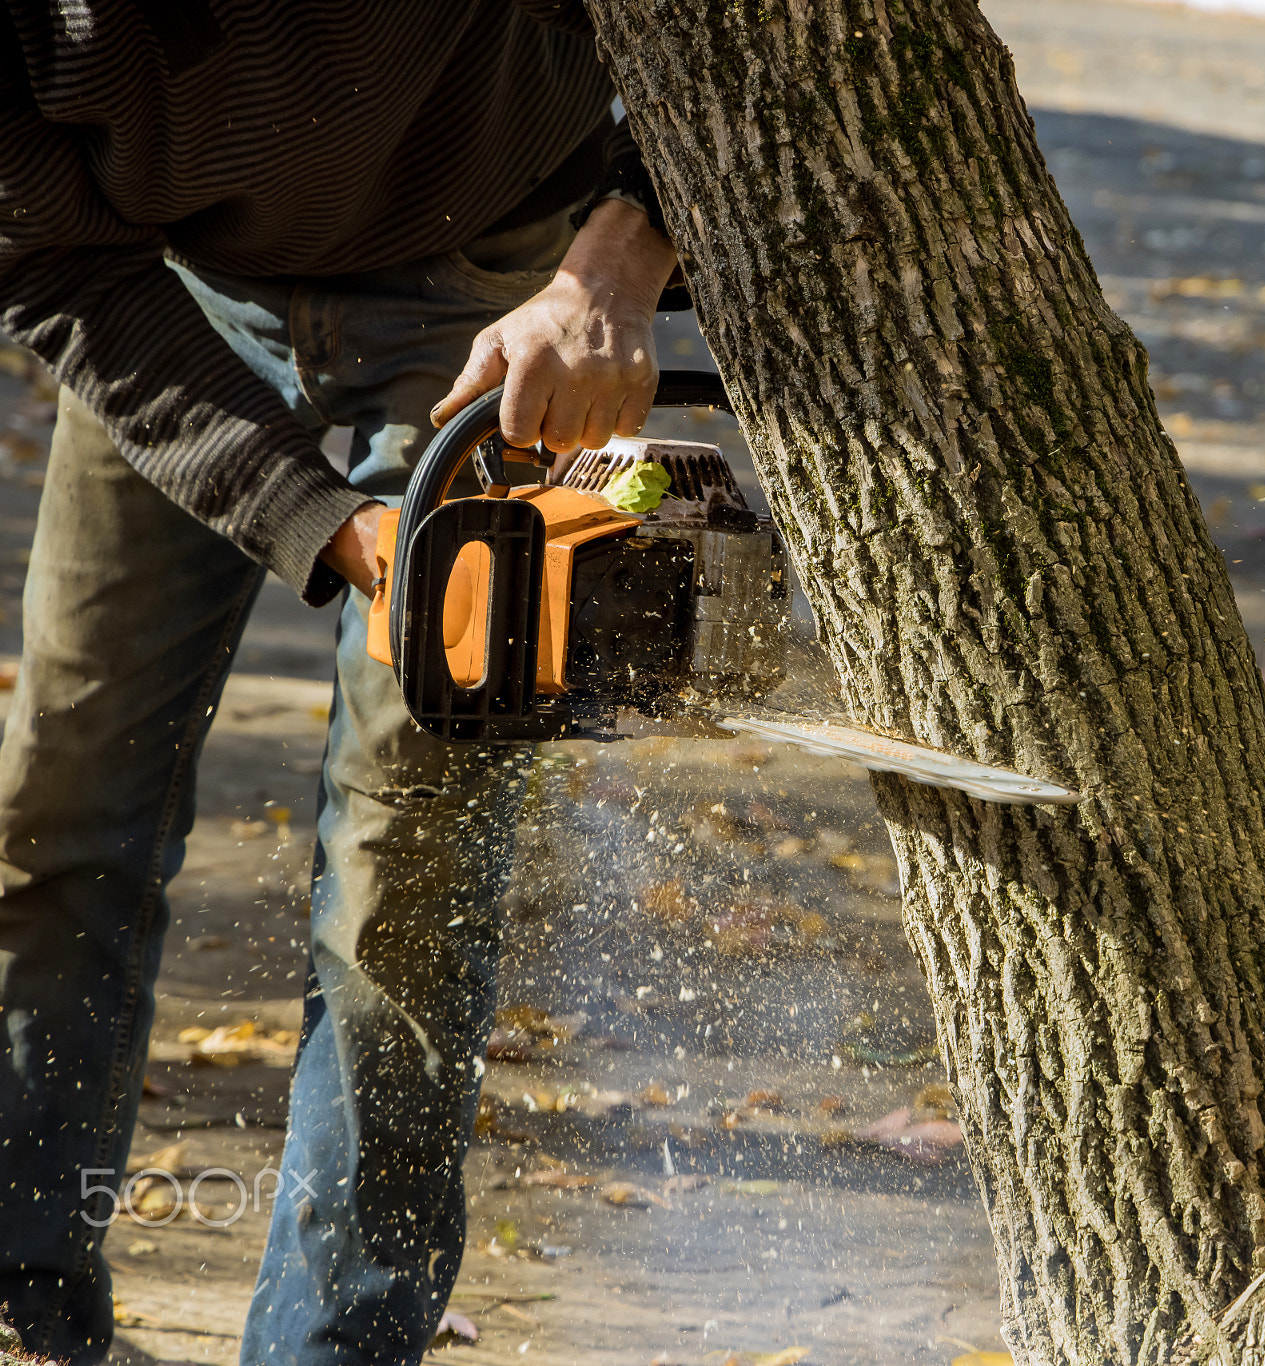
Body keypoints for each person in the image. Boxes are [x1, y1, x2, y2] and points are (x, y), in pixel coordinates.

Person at [0, 5, 685, 1362]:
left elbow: (767, 53)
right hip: (160, 294)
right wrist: (328, 523)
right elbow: (51, 263)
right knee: (62, 792)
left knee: (402, 883)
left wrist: (617, 261)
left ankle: (334, 1342)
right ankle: (21, 1277)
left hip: (490, 298)